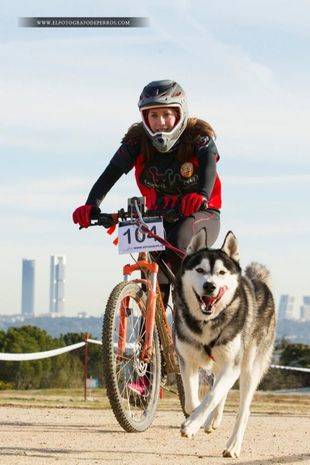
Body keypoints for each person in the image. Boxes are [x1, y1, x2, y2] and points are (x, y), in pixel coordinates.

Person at [73, 79, 222, 395]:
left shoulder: (199, 137)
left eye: (167, 114)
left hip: (200, 215)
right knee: (151, 287)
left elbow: (208, 168)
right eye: (153, 116)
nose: (160, 122)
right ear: (144, 117)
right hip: (156, 218)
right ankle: (148, 372)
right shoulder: (136, 141)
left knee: (181, 243)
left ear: (179, 114)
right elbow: (109, 174)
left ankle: (202, 333)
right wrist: (91, 205)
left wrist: (201, 194)